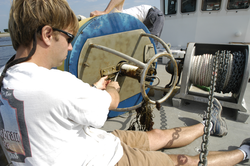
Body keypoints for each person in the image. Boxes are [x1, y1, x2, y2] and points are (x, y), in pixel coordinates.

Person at [0, 0, 249, 166]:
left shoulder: (5, 76)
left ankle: (208, 124)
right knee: (184, 161)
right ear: (46, 34)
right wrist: (111, 87)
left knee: (157, 135)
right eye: (68, 37)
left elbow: (51, 108)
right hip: (107, 159)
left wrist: (93, 90)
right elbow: (110, 103)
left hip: (87, 140)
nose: (70, 45)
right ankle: (244, 153)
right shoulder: (57, 84)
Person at [90, 0, 164, 47]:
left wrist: (105, 11)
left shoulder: (115, 14)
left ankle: (150, 69)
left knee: (150, 46)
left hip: (152, 14)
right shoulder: (115, 32)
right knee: (141, 47)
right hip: (145, 20)